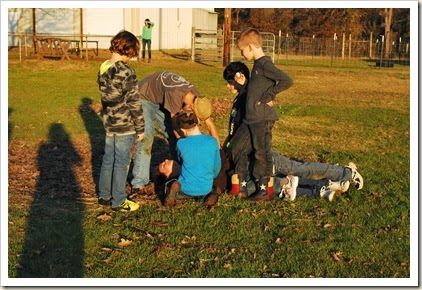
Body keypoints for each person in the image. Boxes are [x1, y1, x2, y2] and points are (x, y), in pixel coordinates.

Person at [131, 71, 219, 195]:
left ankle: (180, 169)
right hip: (144, 96)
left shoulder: (197, 98)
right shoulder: (175, 94)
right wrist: (185, 145)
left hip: (161, 99)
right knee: (147, 136)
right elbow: (175, 126)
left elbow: (209, 123)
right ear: (191, 106)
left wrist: (217, 149)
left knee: (175, 137)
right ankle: (139, 182)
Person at [235, 28, 293, 202]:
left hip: (262, 118)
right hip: (251, 118)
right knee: (238, 146)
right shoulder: (257, 66)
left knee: (262, 153)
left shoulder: (265, 64)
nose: (242, 54)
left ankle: (264, 191)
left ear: (251, 47)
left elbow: (286, 80)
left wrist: (268, 96)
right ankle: (242, 185)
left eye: (242, 50)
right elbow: (259, 87)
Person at [97, 30, 144, 212]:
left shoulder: (103, 67)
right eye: (132, 54)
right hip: (125, 126)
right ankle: (119, 201)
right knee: (122, 162)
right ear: (128, 49)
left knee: (108, 159)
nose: (131, 58)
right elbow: (134, 102)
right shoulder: (126, 72)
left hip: (110, 123)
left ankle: (104, 195)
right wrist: (140, 128)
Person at [161, 110, 221, 207]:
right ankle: (211, 194)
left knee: (171, 185)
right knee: (208, 190)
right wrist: (213, 175)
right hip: (205, 187)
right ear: (198, 123)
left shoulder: (181, 144)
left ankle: (174, 191)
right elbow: (216, 166)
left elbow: (180, 161)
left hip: (185, 188)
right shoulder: (212, 141)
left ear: (183, 130)